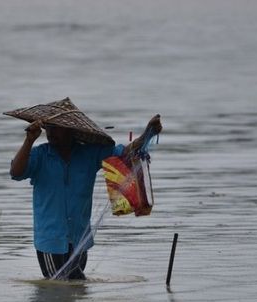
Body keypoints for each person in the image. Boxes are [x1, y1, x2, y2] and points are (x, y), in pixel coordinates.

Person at [10, 114, 162, 280]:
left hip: (79, 241)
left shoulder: (88, 154)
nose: (51, 132)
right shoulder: (39, 155)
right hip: (50, 241)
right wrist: (29, 140)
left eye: (57, 128)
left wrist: (148, 134)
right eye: (49, 128)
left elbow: (124, 153)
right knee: (64, 285)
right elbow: (16, 173)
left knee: (74, 293)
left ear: (71, 131)